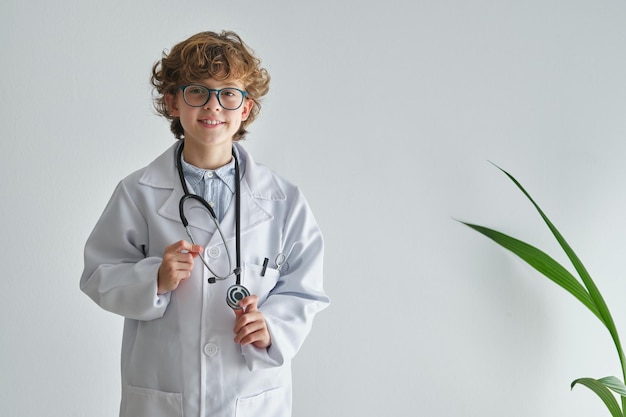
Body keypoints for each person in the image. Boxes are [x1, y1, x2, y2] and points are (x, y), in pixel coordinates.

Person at [80, 30, 329, 417]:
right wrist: (155, 279)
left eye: (228, 93)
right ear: (173, 102)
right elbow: (100, 273)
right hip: (164, 391)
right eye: (197, 91)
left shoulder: (283, 199)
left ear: (245, 108)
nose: (213, 106)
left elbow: (305, 290)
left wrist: (272, 327)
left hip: (249, 392)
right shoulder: (137, 192)